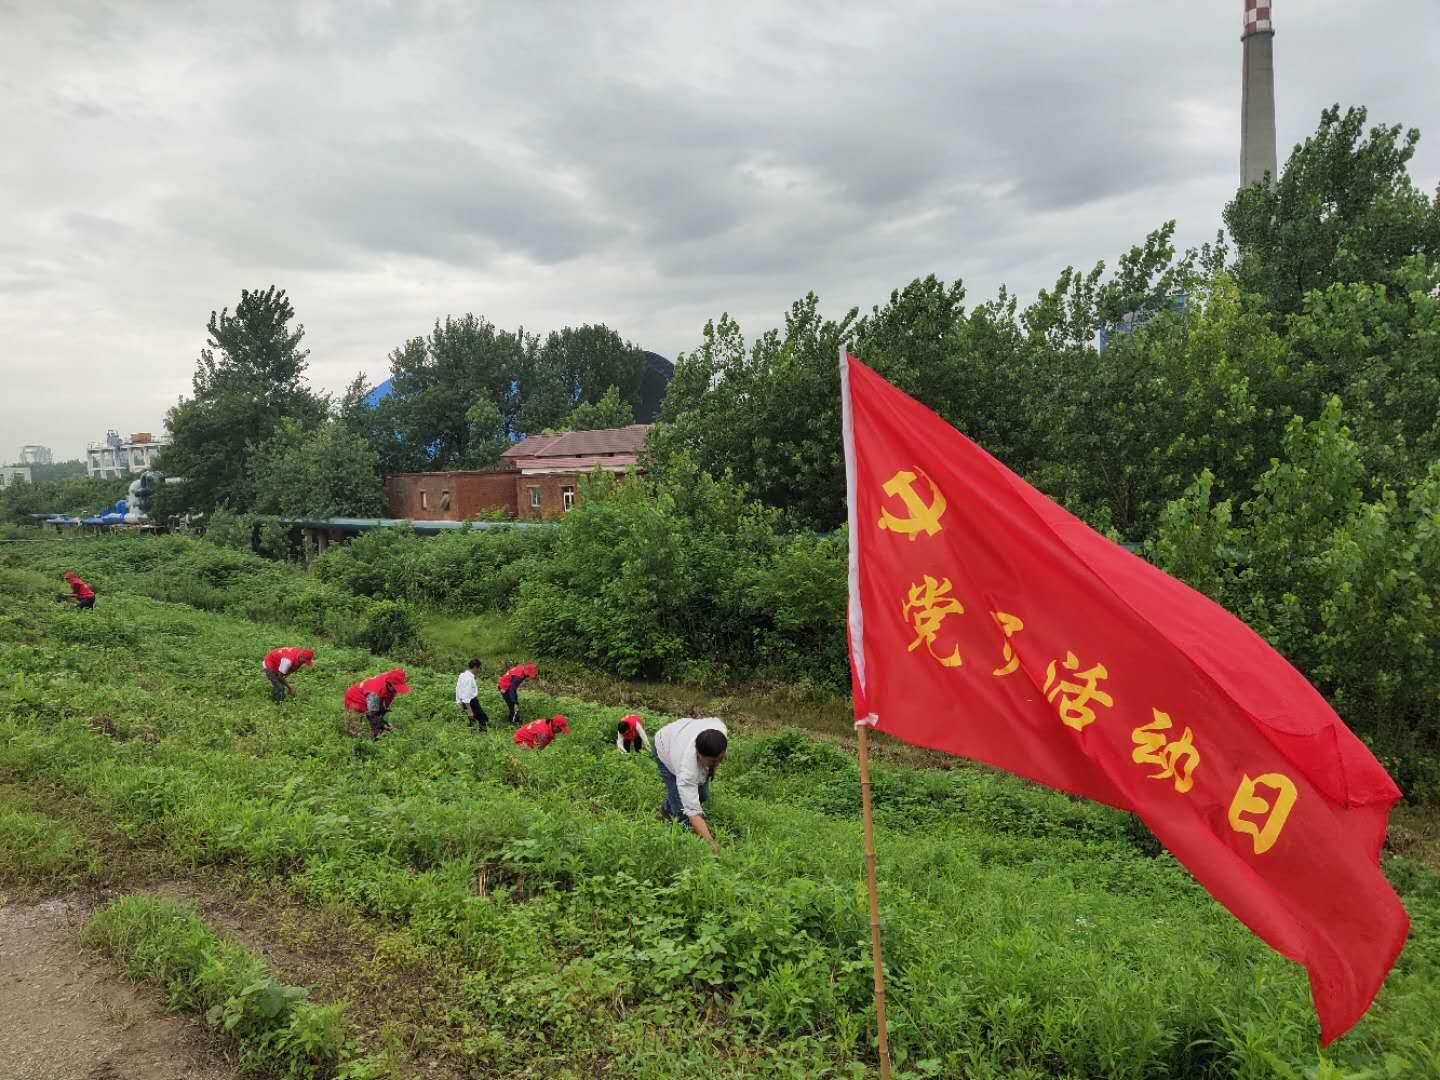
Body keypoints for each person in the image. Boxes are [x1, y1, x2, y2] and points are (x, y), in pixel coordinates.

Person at [653, 717, 728, 852]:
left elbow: (712, 758)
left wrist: (712, 765)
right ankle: (688, 843)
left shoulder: (719, 729)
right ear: (699, 755)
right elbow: (692, 812)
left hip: (683, 731)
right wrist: (711, 843)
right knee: (682, 811)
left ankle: (667, 807)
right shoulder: (686, 770)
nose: (717, 764)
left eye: (720, 759)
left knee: (703, 796)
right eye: (712, 762)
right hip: (665, 745)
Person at [343, 668, 410, 740]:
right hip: (355, 699)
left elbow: (382, 708)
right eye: (395, 688)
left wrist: (382, 722)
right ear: (389, 684)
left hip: (368, 695)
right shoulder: (374, 694)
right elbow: (372, 715)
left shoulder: (391, 678)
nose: (397, 691)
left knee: (378, 720)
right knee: (355, 730)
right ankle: (357, 744)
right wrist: (382, 724)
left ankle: (376, 735)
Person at [455, 658, 489, 730]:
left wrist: (459, 702)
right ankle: (482, 736)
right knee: (483, 719)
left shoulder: (462, 675)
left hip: (465, 702)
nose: (479, 670)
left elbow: (458, 689)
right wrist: (469, 710)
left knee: (472, 720)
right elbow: (467, 695)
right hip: (471, 702)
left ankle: (473, 735)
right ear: (475, 667)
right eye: (479, 668)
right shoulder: (469, 678)